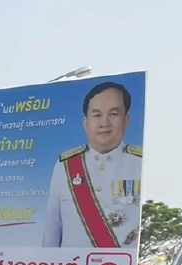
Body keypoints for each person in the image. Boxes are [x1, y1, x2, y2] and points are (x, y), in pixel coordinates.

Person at [43, 81, 142, 249]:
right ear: (85, 122)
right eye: (97, 115)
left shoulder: (140, 164)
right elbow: (52, 231)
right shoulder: (65, 166)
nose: (104, 123)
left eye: (113, 114)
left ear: (126, 120)